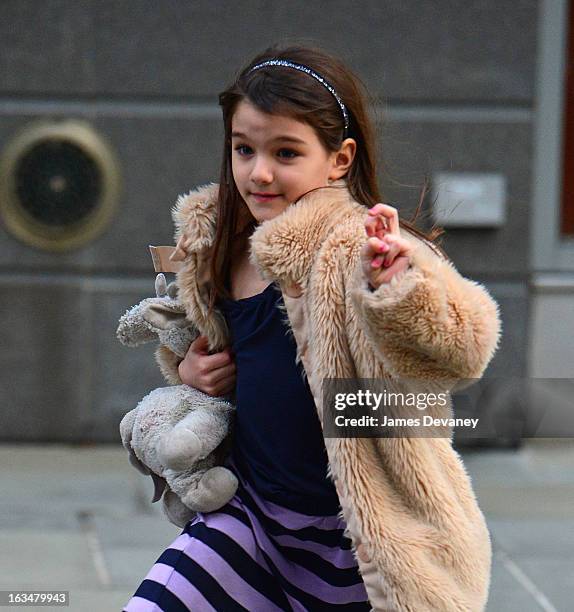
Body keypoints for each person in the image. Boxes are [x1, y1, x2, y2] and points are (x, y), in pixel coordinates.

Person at [123, 44, 501, 612]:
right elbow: (226, 360)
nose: (260, 172)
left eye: (287, 152)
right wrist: (190, 373)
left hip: (363, 539)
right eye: (244, 149)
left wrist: (399, 287)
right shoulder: (219, 246)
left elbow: (465, 345)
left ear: (340, 160)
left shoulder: (362, 248)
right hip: (252, 524)